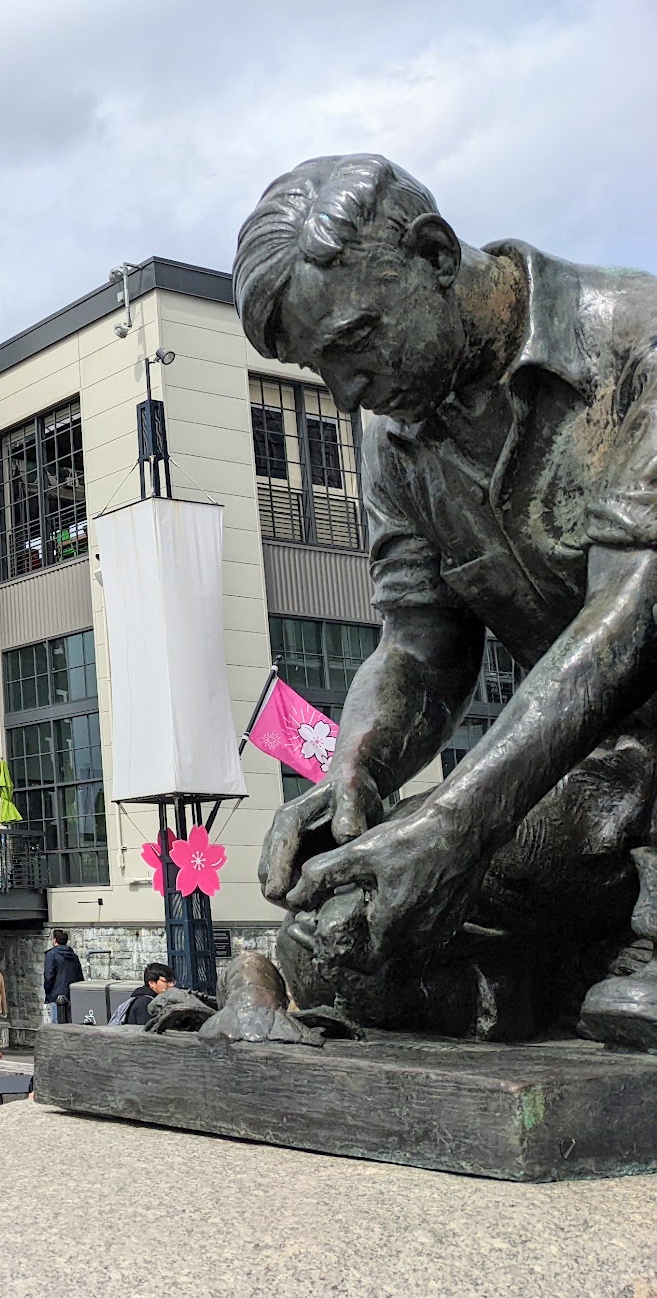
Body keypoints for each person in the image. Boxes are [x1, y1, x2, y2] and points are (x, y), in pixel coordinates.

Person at [235, 154, 657, 1049]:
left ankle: (584, 966)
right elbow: (421, 644)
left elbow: (631, 619)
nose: (347, 392)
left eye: (355, 343)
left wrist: (458, 820)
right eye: (324, 369)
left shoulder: (636, 340)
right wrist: (360, 766)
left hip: (627, 742)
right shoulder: (401, 445)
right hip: (599, 774)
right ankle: (526, 982)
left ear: (432, 255)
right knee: (349, 934)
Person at [43, 929, 85, 1024]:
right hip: (72, 995)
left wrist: (48, 991)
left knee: (57, 1025)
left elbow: (49, 976)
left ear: (54, 940)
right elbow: (79, 976)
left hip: (57, 995)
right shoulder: (73, 955)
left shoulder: (52, 955)